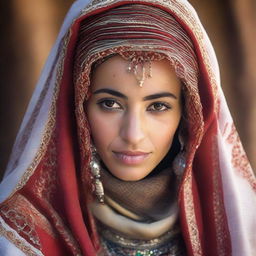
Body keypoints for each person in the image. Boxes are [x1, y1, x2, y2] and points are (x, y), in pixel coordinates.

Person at [0, 0, 255, 255]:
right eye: (110, 104)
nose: (132, 135)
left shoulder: (242, 227)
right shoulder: (18, 236)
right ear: (79, 107)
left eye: (157, 106)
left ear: (188, 114)